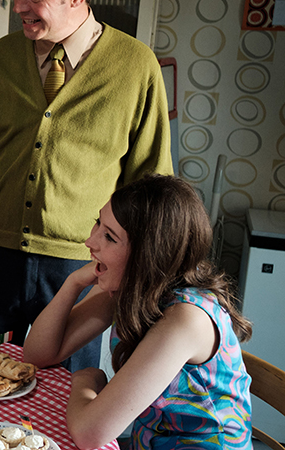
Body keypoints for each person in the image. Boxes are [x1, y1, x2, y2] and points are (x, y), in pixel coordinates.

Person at [0, 0, 172, 371]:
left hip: (82, 265)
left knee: (66, 387)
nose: (17, 5)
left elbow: (150, 182)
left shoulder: (136, 67)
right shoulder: (1, 57)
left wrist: (132, 265)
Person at [23, 174, 253, 449]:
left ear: (148, 254)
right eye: (98, 223)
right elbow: (36, 355)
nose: (90, 241)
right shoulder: (132, 286)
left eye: (109, 237)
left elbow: (89, 434)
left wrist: (86, 381)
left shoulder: (186, 319)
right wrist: (72, 284)